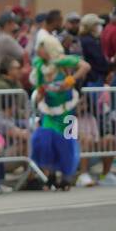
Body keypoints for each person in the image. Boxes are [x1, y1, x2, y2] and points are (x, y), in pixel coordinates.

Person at [29, 39, 89, 190]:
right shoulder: (39, 66)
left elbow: (85, 66)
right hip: (49, 112)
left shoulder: (63, 61)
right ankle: (51, 175)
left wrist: (70, 80)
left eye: (42, 48)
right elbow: (39, 91)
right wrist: (40, 94)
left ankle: (67, 177)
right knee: (46, 140)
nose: (38, 51)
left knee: (67, 142)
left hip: (67, 110)